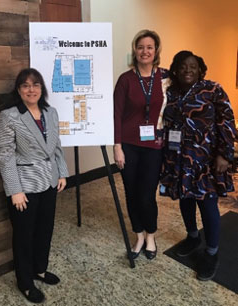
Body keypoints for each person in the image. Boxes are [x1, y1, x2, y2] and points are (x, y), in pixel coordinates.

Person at [160, 51, 236, 280]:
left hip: (206, 159)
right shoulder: (170, 90)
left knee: (208, 204)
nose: (187, 70)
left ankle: (211, 252)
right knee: (185, 198)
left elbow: (227, 121)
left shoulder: (213, 89)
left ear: (200, 69)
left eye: (192, 66)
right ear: (176, 69)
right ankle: (193, 237)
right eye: (182, 66)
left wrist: (225, 154)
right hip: (178, 157)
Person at [0, 68, 69, 303]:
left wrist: (62, 173)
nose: (31, 89)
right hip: (24, 186)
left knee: (45, 230)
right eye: (25, 85)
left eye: (35, 84)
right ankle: (25, 282)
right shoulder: (9, 116)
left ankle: (39, 269)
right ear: (19, 90)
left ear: (42, 88)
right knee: (24, 235)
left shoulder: (51, 112)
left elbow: (56, 146)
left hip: (50, 181)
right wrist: (15, 190)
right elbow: (5, 156)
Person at [113, 30, 170, 260]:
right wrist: (116, 146)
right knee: (131, 193)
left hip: (155, 145)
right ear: (134, 51)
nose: (144, 51)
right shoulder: (126, 79)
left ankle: (151, 235)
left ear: (156, 51)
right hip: (128, 144)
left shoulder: (166, 78)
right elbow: (116, 115)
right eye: (140, 47)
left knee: (146, 195)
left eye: (149, 47)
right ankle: (138, 234)